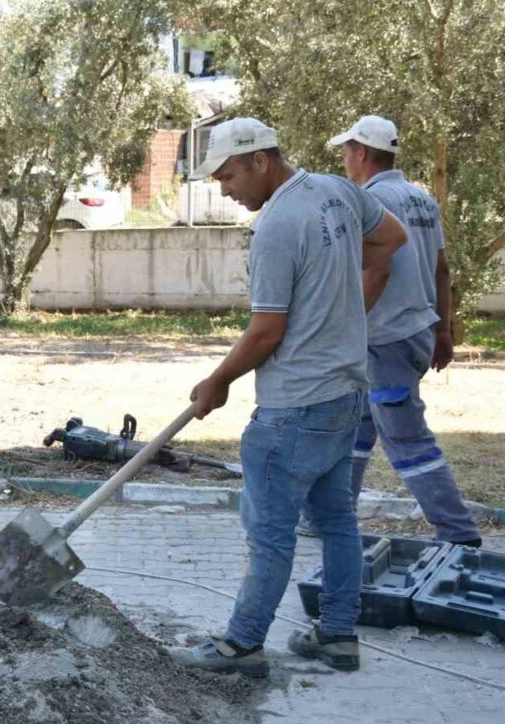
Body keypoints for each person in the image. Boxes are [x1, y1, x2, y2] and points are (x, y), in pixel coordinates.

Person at [170, 118, 408, 677]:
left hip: (294, 405)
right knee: (337, 522)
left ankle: (241, 646)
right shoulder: (338, 189)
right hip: (346, 394)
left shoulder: (276, 226)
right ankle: (337, 637)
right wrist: (346, 293)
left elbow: (265, 332)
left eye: (228, 176)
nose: (225, 190)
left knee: (270, 535)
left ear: (260, 160)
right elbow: (391, 239)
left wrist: (218, 380)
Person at [322, 115, 481, 547]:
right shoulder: (421, 199)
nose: (343, 158)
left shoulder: (367, 200)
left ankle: (458, 532)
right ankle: (331, 516)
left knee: (406, 438)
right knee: (356, 428)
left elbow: (377, 269)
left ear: (362, 153)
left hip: (384, 336)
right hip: (417, 330)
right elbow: (442, 269)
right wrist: (444, 331)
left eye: (346, 150)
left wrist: (344, 327)